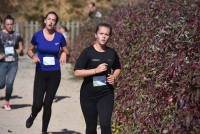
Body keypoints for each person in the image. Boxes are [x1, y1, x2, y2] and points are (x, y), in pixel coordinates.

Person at [74, 23, 121, 134]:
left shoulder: (111, 53)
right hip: (88, 95)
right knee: (91, 128)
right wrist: (95, 70)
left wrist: (114, 76)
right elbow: (76, 72)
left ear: (109, 36)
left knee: (105, 125)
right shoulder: (87, 52)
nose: (104, 36)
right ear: (96, 35)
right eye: (101, 33)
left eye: (107, 34)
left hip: (106, 93)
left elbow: (118, 67)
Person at [26, 11, 68, 133]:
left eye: (53, 20)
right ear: (45, 20)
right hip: (41, 73)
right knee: (38, 104)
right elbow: (29, 50)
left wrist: (64, 53)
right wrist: (33, 57)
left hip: (55, 74)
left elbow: (66, 50)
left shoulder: (59, 37)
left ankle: (44, 130)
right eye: (49, 19)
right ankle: (33, 116)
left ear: (55, 23)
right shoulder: (37, 35)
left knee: (48, 103)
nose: (51, 21)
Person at [0, 15, 23, 110]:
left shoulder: (17, 35)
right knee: (1, 84)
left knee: (10, 83)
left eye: (11, 24)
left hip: (13, 63)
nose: (9, 26)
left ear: (13, 24)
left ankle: (7, 103)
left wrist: (18, 51)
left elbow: (21, 47)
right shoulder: (0, 34)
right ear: (4, 24)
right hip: (2, 62)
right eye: (7, 24)